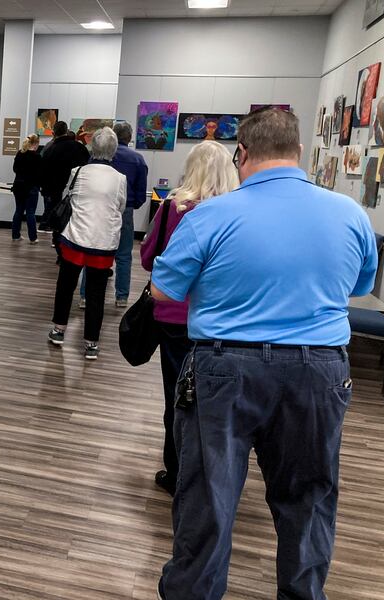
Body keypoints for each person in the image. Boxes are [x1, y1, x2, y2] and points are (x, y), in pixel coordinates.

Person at [152, 109, 377, 600]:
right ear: (299, 152)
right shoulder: (350, 214)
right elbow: (359, 286)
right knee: (309, 500)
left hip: (224, 368)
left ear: (243, 154)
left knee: (207, 503)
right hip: (319, 371)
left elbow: (164, 292)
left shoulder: (209, 214)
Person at [139, 141, 239, 498]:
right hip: (225, 320)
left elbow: (150, 258)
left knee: (177, 396)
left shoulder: (172, 208)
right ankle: (214, 474)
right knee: (221, 400)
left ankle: (177, 470)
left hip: (175, 315)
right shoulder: (239, 211)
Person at [47, 127, 126, 360]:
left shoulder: (78, 171)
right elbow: (120, 207)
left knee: (65, 286)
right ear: (114, 150)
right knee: (96, 293)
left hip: (75, 237)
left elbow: (66, 196)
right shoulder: (120, 179)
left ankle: (58, 330)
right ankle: (91, 343)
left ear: (93, 147)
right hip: (103, 242)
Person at [79, 122, 148, 309]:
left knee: (92, 250)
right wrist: (131, 205)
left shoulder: (99, 158)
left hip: (99, 208)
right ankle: (121, 297)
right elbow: (141, 194)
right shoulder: (138, 160)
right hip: (125, 211)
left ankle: (85, 295)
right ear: (130, 136)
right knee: (124, 256)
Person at [39, 121, 90, 232]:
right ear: (66, 131)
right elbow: (87, 166)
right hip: (78, 188)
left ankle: (56, 236)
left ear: (54, 133)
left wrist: (44, 188)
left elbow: (43, 170)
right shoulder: (79, 148)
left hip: (55, 188)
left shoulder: (50, 150)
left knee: (56, 212)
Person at [12, 134, 42, 244]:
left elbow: (15, 169)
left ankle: (15, 235)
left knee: (18, 210)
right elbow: (39, 174)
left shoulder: (19, 153)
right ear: (36, 143)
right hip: (31, 188)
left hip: (18, 186)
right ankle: (33, 238)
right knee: (30, 213)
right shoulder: (37, 156)